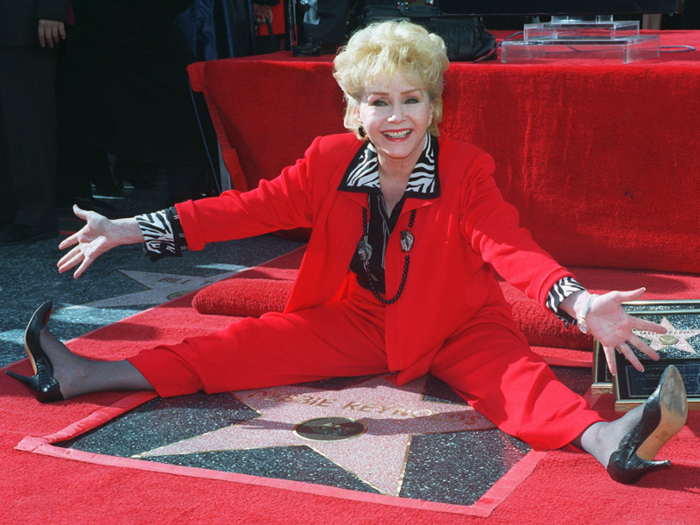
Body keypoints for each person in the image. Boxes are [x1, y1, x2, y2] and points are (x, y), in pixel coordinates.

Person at [6, 21, 688, 485]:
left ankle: (610, 442)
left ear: (434, 105)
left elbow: (508, 247)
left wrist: (575, 301)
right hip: (356, 320)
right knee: (237, 348)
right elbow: (243, 208)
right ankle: (80, 376)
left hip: (459, 321)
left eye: (412, 99)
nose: (396, 117)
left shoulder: (468, 168)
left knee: (519, 383)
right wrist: (128, 228)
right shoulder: (327, 162)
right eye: (378, 100)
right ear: (353, 109)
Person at [0, 0, 67, 245]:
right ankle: (9, 211)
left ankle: (36, 215)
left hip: (23, 24)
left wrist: (50, 10)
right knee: (10, 128)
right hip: (13, 24)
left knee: (28, 125)